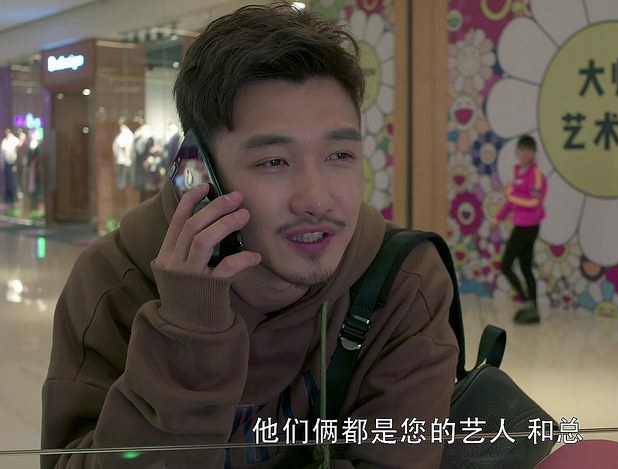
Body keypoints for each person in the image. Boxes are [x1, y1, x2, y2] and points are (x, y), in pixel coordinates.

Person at [41, 2, 458, 468]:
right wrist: (186, 340)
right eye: (273, 161)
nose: (317, 200)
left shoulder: (403, 281)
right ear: (199, 173)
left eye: (339, 155)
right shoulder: (113, 283)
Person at [492, 135, 547, 324]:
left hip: (529, 226)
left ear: (534, 153)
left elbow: (534, 202)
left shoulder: (535, 174)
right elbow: (512, 201)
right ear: (517, 152)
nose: (525, 153)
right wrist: (498, 218)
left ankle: (527, 302)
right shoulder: (518, 172)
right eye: (522, 149)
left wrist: (510, 194)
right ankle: (531, 305)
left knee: (506, 265)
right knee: (524, 267)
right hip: (520, 224)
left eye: (528, 150)